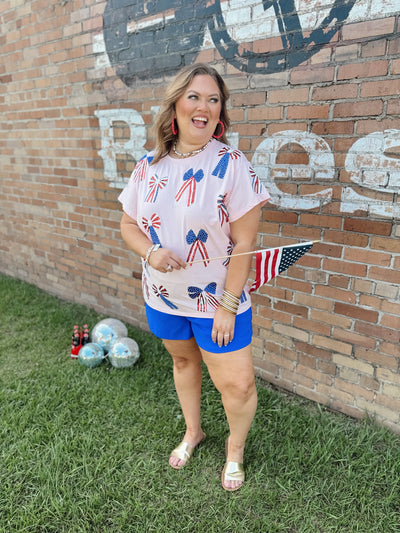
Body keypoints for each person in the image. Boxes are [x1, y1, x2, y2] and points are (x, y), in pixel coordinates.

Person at [118, 63, 270, 491]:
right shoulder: (147, 166)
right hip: (163, 297)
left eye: (213, 99)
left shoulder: (232, 164)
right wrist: (150, 251)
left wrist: (226, 305)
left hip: (217, 301)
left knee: (236, 384)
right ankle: (194, 431)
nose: (203, 106)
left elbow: (244, 244)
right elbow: (128, 225)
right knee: (183, 361)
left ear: (220, 112)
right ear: (176, 106)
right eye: (194, 96)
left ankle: (234, 450)